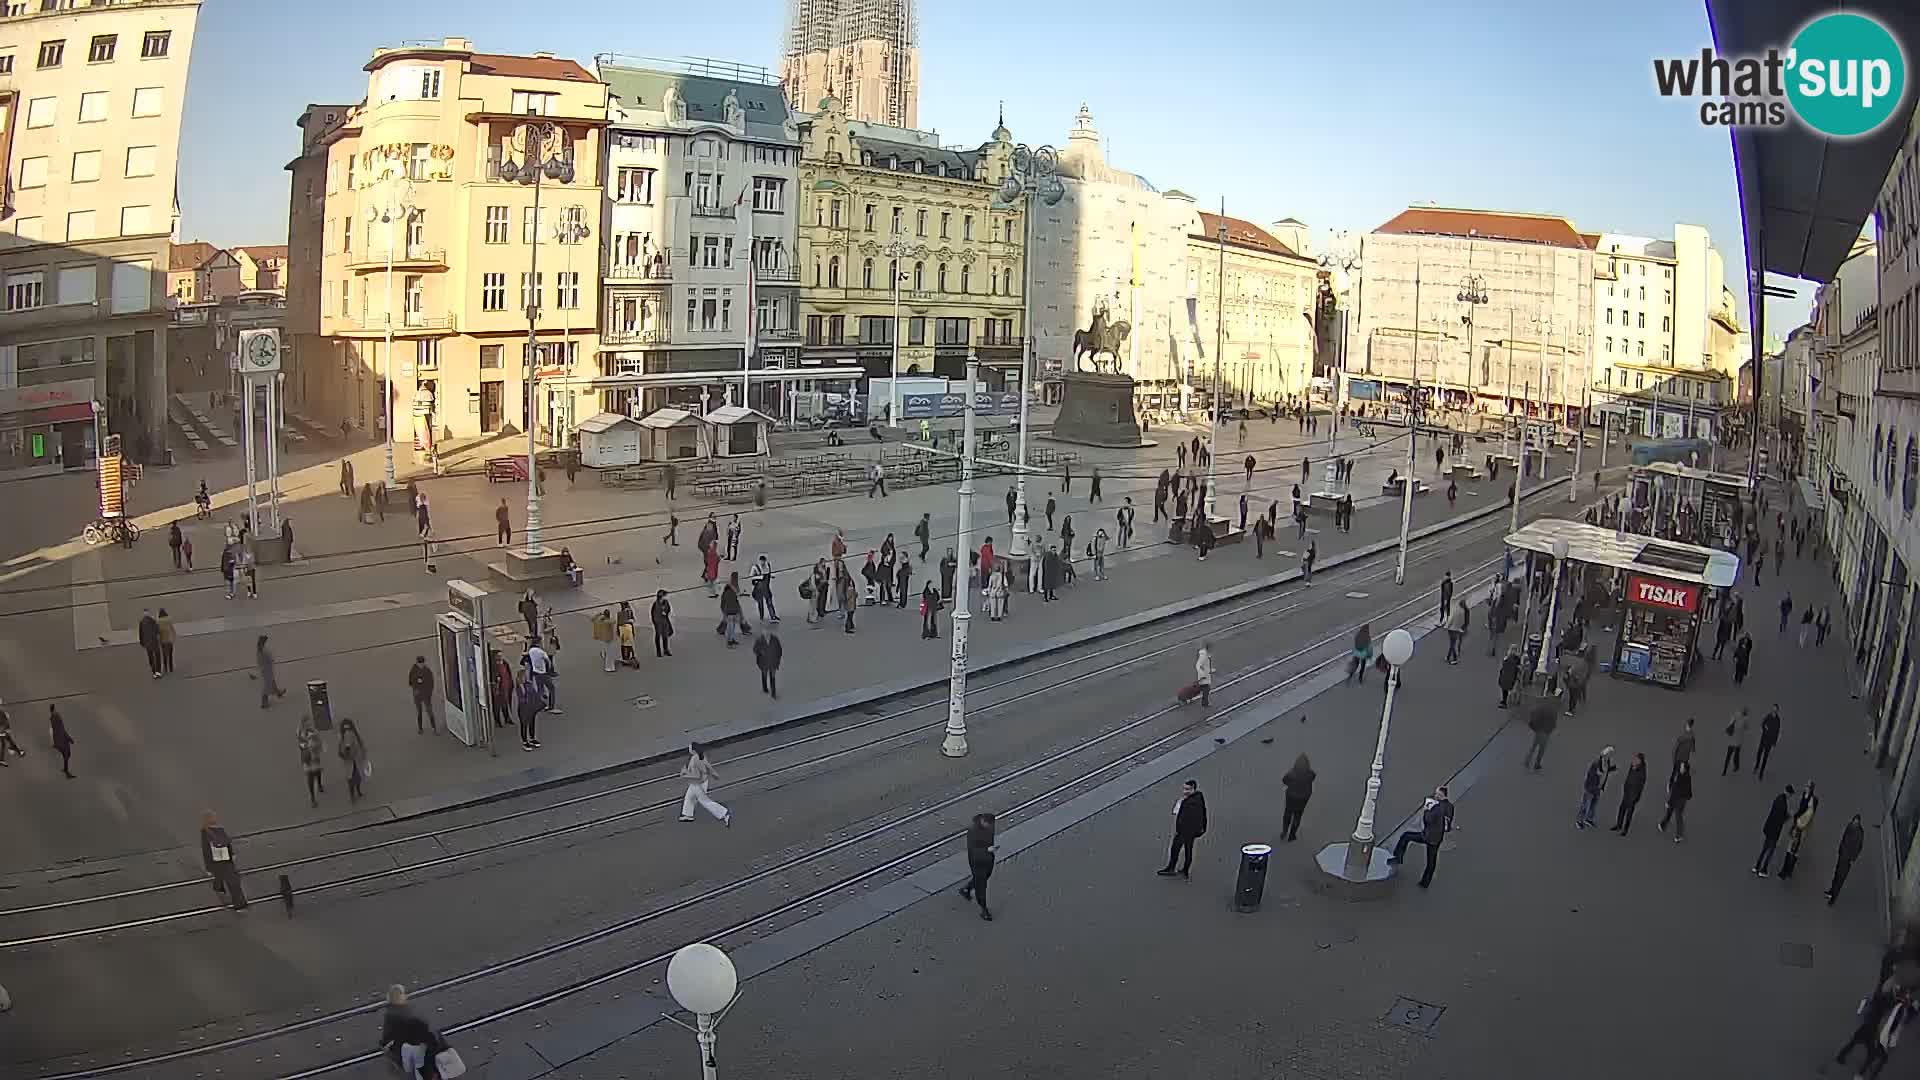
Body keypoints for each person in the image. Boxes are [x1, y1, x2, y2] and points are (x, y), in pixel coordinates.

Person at [1388, 785, 1454, 889]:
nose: (1435, 795)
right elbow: (1448, 824)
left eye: (1437, 794)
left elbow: (1428, 819)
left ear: (1441, 795)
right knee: (1431, 861)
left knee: (1406, 836)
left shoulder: (1437, 808)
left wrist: (1426, 809)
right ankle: (1425, 883)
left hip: (1427, 836)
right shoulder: (1450, 807)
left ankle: (1397, 858)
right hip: (1437, 838)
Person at [379, 984, 440, 1080]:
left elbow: (386, 1038)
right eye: (403, 994)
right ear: (400, 997)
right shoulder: (406, 1014)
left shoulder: (390, 1013)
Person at [1156, 779, 1208, 878]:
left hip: (1185, 831)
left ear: (1193, 789)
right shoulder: (1198, 797)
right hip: (1192, 831)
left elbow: (1185, 818)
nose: (1185, 791)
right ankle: (1185, 871)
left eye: (1187, 789)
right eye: (1184, 789)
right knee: (1188, 850)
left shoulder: (1190, 802)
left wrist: (1179, 829)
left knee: (1176, 849)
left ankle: (1171, 868)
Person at [678, 742, 732, 825]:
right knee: (689, 798)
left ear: (693, 750)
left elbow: (697, 776)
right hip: (700, 782)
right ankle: (687, 815)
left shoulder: (695, 759)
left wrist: (685, 774)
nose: (689, 749)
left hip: (698, 784)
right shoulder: (701, 756)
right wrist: (714, 774)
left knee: (705, 801)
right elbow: (707, 766)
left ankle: (724, 813)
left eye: (690, 748)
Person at [958, 812, 998, 919]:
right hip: (977, 861)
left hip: (988, 859)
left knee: (985, 877)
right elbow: (972, 850)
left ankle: (967, 888)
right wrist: (987, 850)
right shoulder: (973, 831)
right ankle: (984, 909)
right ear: (983, 821)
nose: (991, 826)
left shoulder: (989, 826)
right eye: (989, 824)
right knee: (981, 885)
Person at [1753, 784, 1797, 877]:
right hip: (1775, 831)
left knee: (1764, 849)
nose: (1790, 797)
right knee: (1770, 850)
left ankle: (1757, 866)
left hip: (1769, 828)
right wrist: (1789, 815)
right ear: (1788, 793)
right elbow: (1781, 819)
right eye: (1791, 795)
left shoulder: (1778, 798)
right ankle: (1764, 870)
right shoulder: (1783, 804)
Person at [1779, 782, 1818, 879]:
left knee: (1794, 848)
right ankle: (1787, 870)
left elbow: (1808, 816)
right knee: (1792, 847)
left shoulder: (1811, 801)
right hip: (1797, 825)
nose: (1805, 787)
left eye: (1807, 786)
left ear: (1810, 789)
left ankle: (1787, 870)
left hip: (1800, 828)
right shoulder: (1804, 796)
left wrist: (1799, 823)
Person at [1576, 746, 1617, 829]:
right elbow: (1592, 774)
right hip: (1591, 788)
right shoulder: (1596, 763)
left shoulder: (1607, 762)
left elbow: (1605, 771)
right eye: (1609, 754)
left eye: (1611, 754)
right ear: (1604, 754)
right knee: (1585, 805)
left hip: (1598, 788)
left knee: (1593, 805)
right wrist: (1598, 773)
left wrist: (1612, 769)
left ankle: (1588, 819)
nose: (1610, 756)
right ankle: (1579, 821)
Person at [1829, 814, 1866, 904]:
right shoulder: (1850, 826)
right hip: (1842, 855)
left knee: (1840, 878)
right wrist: (1841, 849)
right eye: (1854, 821)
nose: (1854, 823)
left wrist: (1852, 858)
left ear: (1859, 822)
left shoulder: (1859, 833)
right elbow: (1844, 838)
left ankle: (1833, 898)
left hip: (1847, 858)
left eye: (1856, 822)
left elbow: (1858, 848)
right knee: (1837, 873)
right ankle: (1831, 891)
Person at [1609, 752, 1648, 836]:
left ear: (1640, 761)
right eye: (1634, 759)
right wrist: (1625, 788)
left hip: (1633, 796)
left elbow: (1640, 786)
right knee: (1622, 809)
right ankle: (1619, 825)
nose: (1634, 760)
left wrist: (1635, 797)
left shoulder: (1642, 772)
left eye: (1636, 759)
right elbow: (1629, 777)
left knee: (1629, 813)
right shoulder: (1632, 766)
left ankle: (1625, 829)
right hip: (1627, 792)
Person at [1280, 753, 1315, 842]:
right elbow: (1313, 777)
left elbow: (1284, 780)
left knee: (1288, 813)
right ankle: (1292, 835)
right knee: (1297, 815)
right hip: (1303, 798)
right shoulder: (1310, 774)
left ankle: (1284, 832)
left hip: (1291, 796)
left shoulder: (1292, 774)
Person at [1659, 759, 1694, 841]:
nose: (1680, 768)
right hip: (1682, 798)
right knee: (1672, 812)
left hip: (1679, 799)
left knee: (1677, 815)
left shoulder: (1681, 778)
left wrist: (1669, 802)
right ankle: (1663, 825)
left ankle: (1679, 835)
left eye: (1681, 767)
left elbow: (1675, 791)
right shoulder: (1686, 776)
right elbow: (1688, 789)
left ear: (1684, 769)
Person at [338, 719, 369, 804]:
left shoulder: (355, 735)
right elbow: (340, 752)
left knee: (358, 778)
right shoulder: (342, 738)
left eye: (349, 729)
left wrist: (363, 754)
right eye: (346, 729)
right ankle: (352, 796)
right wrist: (346, 751)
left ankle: (358, 790)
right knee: (351, 779)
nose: (348, 731)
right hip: (349, 762)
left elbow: (361, 745)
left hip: (357, 760)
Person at [298, 716, 326, 808]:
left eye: (309, 723)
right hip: (308, 759)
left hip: (315, 757)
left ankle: (319, 784)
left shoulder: (314, 731)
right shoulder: (300, 732)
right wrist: (308, 742)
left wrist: (315, 740)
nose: (308, 725)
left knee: (318, 772)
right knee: (310, 778)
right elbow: (301, 745)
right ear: (303, 724)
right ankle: (313, 798)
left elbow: (320, 742)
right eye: (306, 723)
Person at [514, 665, 543, 751]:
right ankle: (525, 741)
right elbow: (521, 698)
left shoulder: (529, 684)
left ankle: (532, 738)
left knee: (532, 722)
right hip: (523, 708)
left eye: (525, 676)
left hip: (531, 707)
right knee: (524, 724)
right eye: (523, 677)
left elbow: (534, 693)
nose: (525, 678)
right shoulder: (519, 687)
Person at [1177, 642, 1214, 707]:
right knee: (1204, 689)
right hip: (1203, 677)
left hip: (1205, 676)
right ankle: (1204, 703)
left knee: (1199, 689)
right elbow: (1198, 665)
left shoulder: (1207, 654)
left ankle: (1184, 697)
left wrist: (1210, 670)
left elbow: (1206, 665)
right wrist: (1202, 674)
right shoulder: (1204, 655)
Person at [1523, 699, 1556, 770]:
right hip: (1546, 732)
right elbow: (1553, 722)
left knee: (1533, 746)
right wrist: (1551, 729)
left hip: (1538, 730)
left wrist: (1534, 727)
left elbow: (1532, 717)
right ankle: (1537, 764)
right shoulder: (1553, 710)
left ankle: (1527, 760)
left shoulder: (1538, 708)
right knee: (1541, 749)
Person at [255, 635, 287, 708]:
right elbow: (263, 660)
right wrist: (270, 660)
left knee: (272, 681)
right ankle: (264, 703)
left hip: (267, 668)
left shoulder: (261, 649)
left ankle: (278, 692)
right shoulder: (261, 650)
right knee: (267, 685)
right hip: (266, 670)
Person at [408, 655, 436, 733]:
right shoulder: (413, 670)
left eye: (422, 663)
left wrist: (429, 692)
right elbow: (410, 682)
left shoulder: (427, 671)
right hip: (418, 694)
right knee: (419, 711)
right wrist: (416, 684)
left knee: (429, 711)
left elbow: (431, 683)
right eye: (419, 663)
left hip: (426, 694)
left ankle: (434, 728)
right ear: (417, 663)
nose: (421, 665)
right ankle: (420, 728)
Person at [753, 625, 783, 698]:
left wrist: (778, 660)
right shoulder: (759, 640)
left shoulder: (775, 639)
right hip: (764, 662)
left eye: (768, 633)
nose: (767, 634)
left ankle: (773, 692)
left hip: (773, 662)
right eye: (765, 633)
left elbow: (779, 650)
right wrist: (760, 652)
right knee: (764, 675)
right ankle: (765, 688)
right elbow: (755, 650)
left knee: (772, 677)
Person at [1723, 706, 1752, 775]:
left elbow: (1730, 723)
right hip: (1738, 740)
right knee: (1736, 754)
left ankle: (1725, 770)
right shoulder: (1745, 719)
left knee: (1728, 755)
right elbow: (1747, 728)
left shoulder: (1736, 714)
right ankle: (1736, 766)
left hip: (1732, 739)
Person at [719, 572, 744, 647]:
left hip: (731, 609)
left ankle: (731, 639)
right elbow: (736, 594)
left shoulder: (730, 588)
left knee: (732, 626)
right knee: (731, 626)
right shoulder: (730, 590)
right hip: (730, 610)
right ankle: (730, 640)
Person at [1756, 705, 1781, 780]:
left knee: (1765, 757)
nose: (1774, 710)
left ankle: (1761, 772)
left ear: (1777, 710)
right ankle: (1757, 765)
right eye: (1773, 709)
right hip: (1764, 738)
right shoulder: (1768, 716)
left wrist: (1774, 742)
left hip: (1770, 741)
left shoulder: (1778, 720)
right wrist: (1764, 729)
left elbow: (1777, 731)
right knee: (1759, 752)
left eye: (1775, 709)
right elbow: (1762, 724)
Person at [49, 705, 73, 778]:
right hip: (63, 741)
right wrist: (69, 739)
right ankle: (67, 772)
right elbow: (62, 730)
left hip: (59, 742)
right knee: (67, 754)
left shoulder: (53, 718)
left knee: (66, 755)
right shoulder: (57, 718)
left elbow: (56, 731)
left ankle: (65, 769)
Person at [137, 608, 162, 678]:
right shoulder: (153, 620)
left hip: (147, 643)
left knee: (151, 657)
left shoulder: (141, 622)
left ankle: (154, 672)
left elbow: (140, 633)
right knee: (157, 657)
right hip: (154, 641)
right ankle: (158, 671)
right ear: (149, 613)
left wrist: (142, 642)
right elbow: (157, 630)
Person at [1445, 599, 1469, 664]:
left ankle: (1455, 658)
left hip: (1451, 629)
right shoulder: (1464, 611)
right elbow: (1464, 622)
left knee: (1452, 644)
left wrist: (1446, 626)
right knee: (1453, 643)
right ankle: (1448, 656)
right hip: (1458, 629)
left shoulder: (1456, 611)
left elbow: (1450, 619)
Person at [651, 590, 674, 657]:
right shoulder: (655, 604)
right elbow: (652, 614)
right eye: (665, 595)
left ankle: (666, 650)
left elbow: (669, 609)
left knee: (665, 636)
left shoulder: (666, 602)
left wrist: (666, 612)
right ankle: (658, 652)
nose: (666, 597)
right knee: (658, 636)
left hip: (664, 622)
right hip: (658, 622)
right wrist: (655, 622)